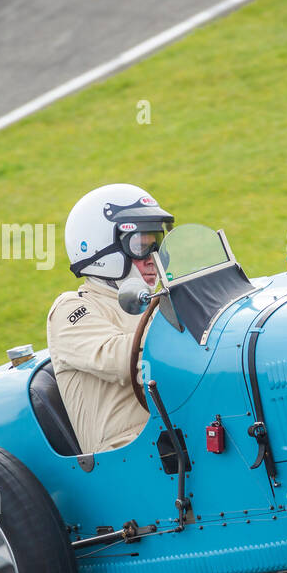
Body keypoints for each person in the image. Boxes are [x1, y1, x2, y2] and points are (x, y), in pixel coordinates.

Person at [46, 183, 172, 454]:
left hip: (173, 432)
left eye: (157, 245)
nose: (153, 259)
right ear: (103, 250)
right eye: (141, 245)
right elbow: (122, 360)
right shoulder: (72, 309)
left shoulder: (159, 300)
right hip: (129, 451)